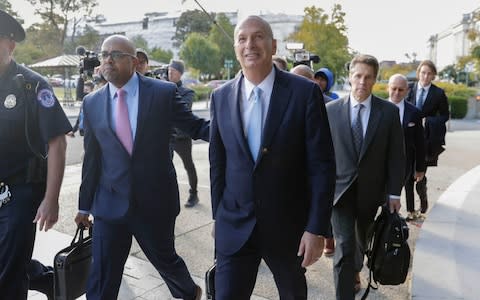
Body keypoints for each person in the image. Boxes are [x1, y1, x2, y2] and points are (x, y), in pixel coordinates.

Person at [209, 15, 336, 299]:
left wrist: (316, 228)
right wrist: (218, 217)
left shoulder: (304, 93)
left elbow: (322, 166)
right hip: (235, 226)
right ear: (235, 47)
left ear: (273, 44)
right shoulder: (220, 97)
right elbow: (218, 164)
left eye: (258, 37)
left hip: (288, 228)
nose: (249, 44)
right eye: (242, 38)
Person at [74, 34, 208, 300]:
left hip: (154, 203)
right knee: (102, 277)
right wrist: (83, 205)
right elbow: (92, 159)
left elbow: (196, 127)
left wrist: (234, 127)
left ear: (134, 62)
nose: (107, 60)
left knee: (167, 263)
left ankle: (190, 293)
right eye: (104, 55)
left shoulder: (163, 93)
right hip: (109, 205)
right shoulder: (92, 103)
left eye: (115, 55)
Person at [0, 9, 72, 300]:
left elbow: (57, 142)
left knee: (7, 275)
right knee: (10, 261)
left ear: (10, 44)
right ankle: (46, 280)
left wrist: (51, 199)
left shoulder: (32, 85)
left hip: (21, 192)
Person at [325, 54, 405, 299]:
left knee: (360, 246)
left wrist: (393, 192)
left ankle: (355, 270)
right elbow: (322, 155)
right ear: (350, 77)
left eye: (368, 77)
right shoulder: (330, 111)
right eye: (358, 75)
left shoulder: (388, 112)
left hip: (372, 195)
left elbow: (396, 156)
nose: (362, 81)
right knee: (344, 249)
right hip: (339, 194)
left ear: (375, 80)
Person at [405, 60, 449, 214]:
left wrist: (428, 121)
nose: (425, 76)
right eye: (423, 72)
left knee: (419, 177)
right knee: (407, 179)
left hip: (426, 140)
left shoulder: (438, 93)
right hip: (408, 138)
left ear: (433, 76)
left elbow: (445, 116)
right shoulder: (409, 88)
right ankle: (410, 210)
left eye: (429, 73)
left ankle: (423, 199)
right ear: (418, 73)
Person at [388, 74, 426, 220]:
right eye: (394, 89)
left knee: (397, 194)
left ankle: (393, 227)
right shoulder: (378, 109)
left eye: (401, 90)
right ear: (388, 88)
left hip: (405, 164)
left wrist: (420, 168)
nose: (397, 93)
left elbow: (420, 143)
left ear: (407, 91)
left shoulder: (414, 113)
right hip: (381, 163)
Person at [168, 59, 200, 207]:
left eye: (173, 72)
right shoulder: (162, 88)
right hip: (166, 137)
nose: (170, 74)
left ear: (180, 74)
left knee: (188, 165)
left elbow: (184, 109)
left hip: (182, 137)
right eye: (168, 71)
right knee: (164, 167)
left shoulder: (187, 92)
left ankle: (194, 194)